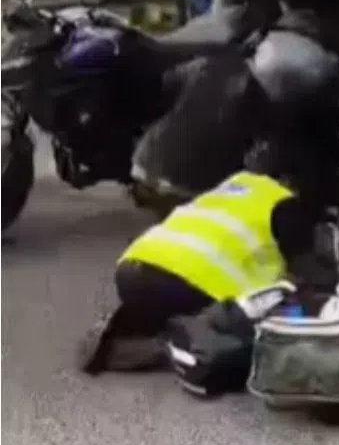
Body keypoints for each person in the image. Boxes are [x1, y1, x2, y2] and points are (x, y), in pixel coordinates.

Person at [78, 142, 322, 374]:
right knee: (241, 327)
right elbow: (310, 274)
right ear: (291, 180)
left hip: (133, 267)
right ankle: (172, 344)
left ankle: (128, 331)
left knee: (163, 301)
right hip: (187, 282)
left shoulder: (232, 187)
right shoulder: (283, 204)